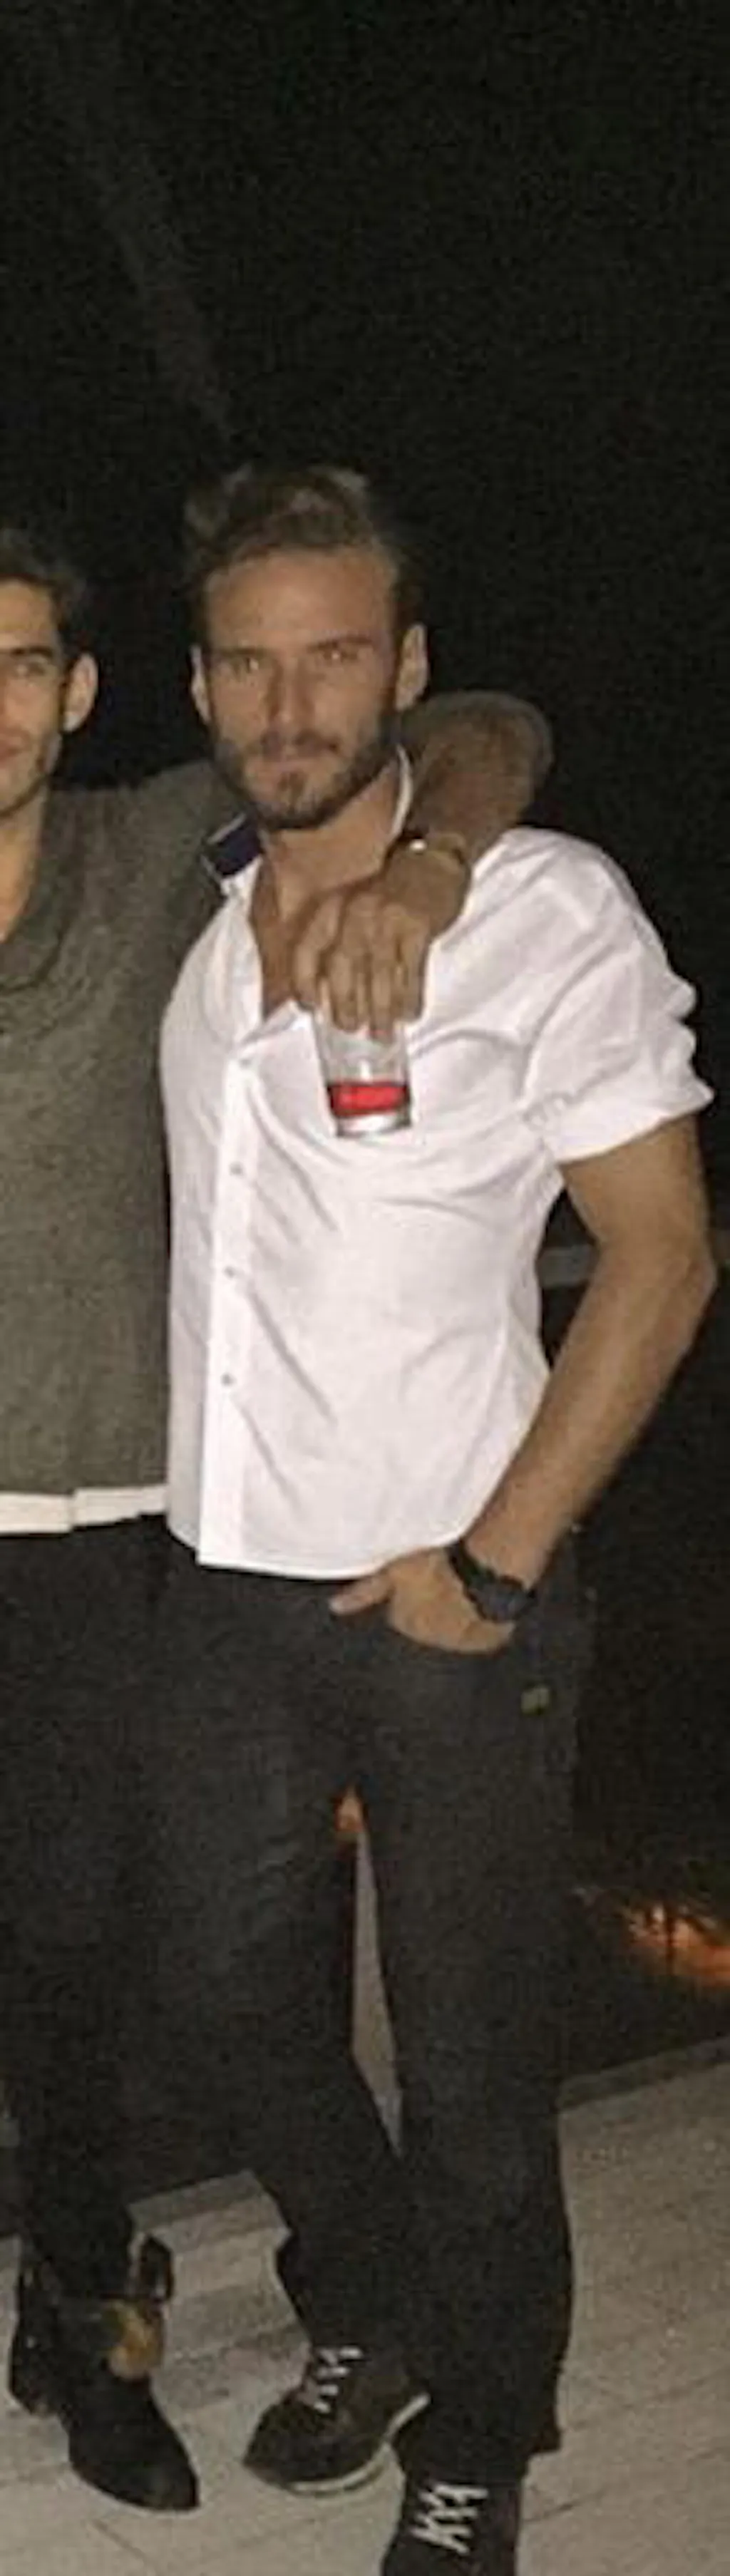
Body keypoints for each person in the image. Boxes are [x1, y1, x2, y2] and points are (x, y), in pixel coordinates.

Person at [154, 461, 716, 2575]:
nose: (291, 703)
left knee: (475, 2075)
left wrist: (498, 1561)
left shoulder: (540, 909)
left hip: (454, 1596)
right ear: (202, 686)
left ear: (403, 666)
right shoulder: (200, 895)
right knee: (228, 1995)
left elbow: (660, 1255)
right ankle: (380, 2304)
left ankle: (481, 2427)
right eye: (251, 662)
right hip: (231, 1581)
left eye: (333, 657)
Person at [0, 510, 550, 2516]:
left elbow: (484, 724)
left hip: (91, 1516)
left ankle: (81, 2309)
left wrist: (431, 860)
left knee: (79, 1945)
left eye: (16, 664)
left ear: (78, 693)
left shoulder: (158, 852)